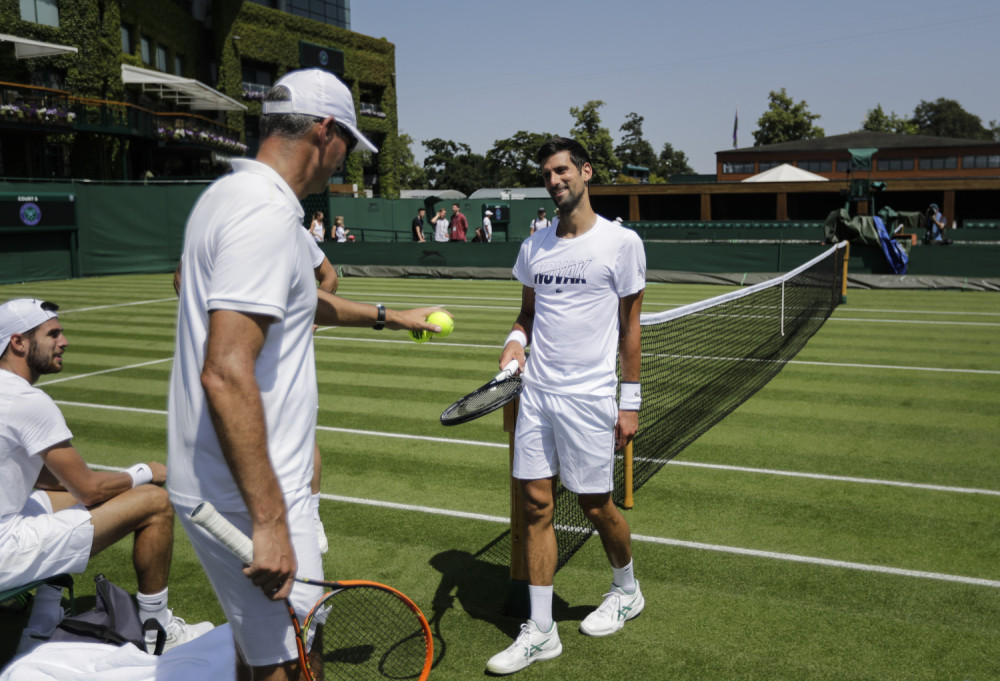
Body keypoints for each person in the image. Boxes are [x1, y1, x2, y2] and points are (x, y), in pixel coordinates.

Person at [167, 68, 445, 681]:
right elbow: (226, 372)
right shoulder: (263, 215)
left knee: (290, 642)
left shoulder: (240, 201)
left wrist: (390, 316)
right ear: (325, 131)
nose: (346, 162)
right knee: (283, 667)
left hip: (252, 480)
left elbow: (298, 300)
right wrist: (268, 523)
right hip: (246, 495)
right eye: (348, 143)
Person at [486, 137, 646, 675]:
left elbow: (631, 329)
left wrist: (631, 404)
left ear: (585, 172)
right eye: (547, 175)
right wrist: (514, 341)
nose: (554, 181)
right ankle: (542, 630)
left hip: (590, 398)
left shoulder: (621, 243)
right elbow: (526, 314)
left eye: (562, 171)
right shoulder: (534, 246)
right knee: (534, 506)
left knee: (597, 504)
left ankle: (626, 589)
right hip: (537, 396)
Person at [0, 298, 213, 655]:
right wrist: (145, 472)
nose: (64, 341)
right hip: (5, 552)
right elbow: (88, 491)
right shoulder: (27, 401)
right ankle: (155, 628)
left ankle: (41, 621)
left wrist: (115, 487)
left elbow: (52, 483)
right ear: (18, 342)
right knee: (155, 503)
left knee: (67, 502)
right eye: (53, 333)